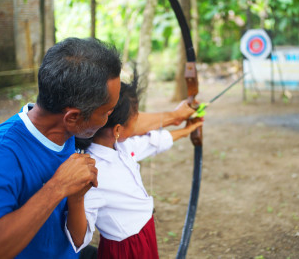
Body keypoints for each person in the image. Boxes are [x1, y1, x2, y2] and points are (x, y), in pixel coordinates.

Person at [0, 37, 122, 258]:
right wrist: (57, 187)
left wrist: (76, 197)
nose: (110, 116)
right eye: (107, 112)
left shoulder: (69, 131)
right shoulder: (1, 152)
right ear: (72, 117)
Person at [65, 75, 203, 258]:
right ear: (117, 130)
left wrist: (185, 131)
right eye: (136, 118)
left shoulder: (121, 145)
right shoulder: (93, 172)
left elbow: (153, 142)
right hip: (126, 250)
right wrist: (76, 198)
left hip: (145, 235)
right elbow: (79, 238)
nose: (139, 122)